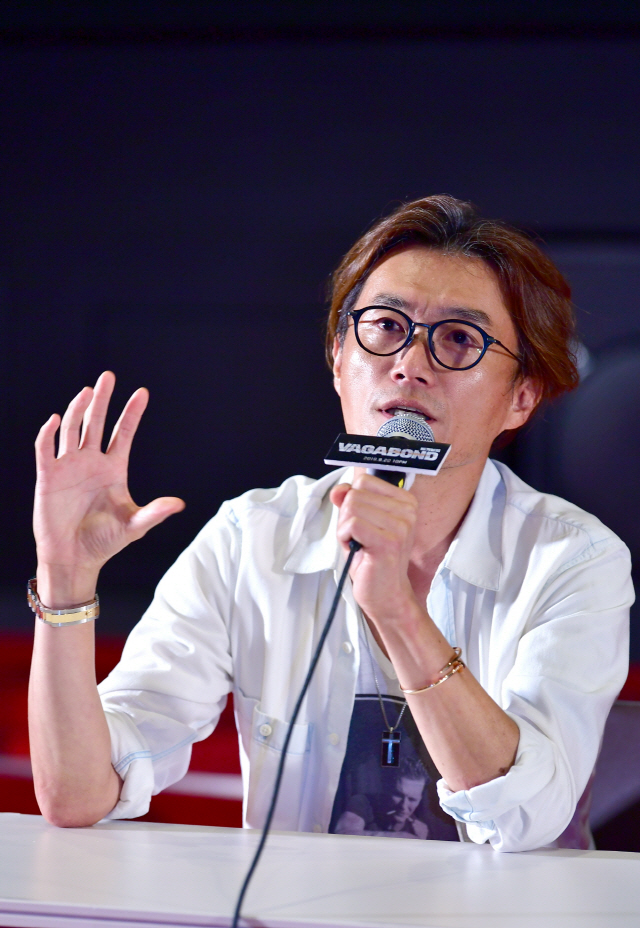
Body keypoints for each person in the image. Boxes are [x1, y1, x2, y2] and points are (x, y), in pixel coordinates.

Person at [28, 195, 632, 852]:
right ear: (339, 358)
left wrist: (397, 610)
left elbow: (530, 817)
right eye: (386, 327)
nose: (410, 363)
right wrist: (65, 577)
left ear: (521, 397)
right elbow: (78, 794)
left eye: (459, 339)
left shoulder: (573, 559)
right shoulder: (251, 539)